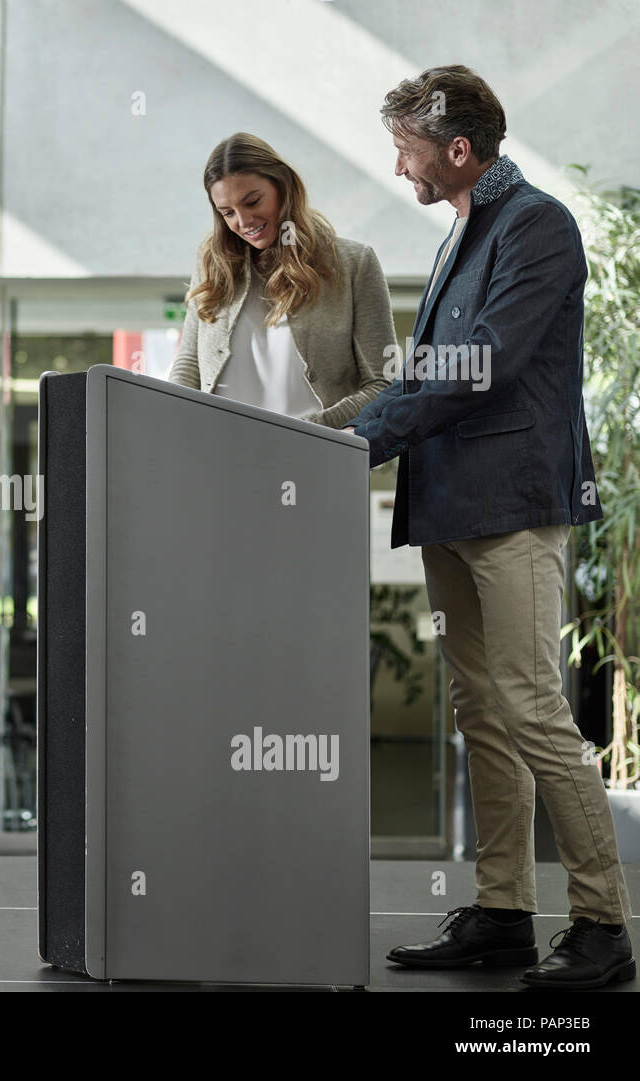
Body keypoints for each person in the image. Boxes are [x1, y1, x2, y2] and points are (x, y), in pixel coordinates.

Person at [344, 65, 631, 990]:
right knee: (483, 713)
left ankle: (602, 923)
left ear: (457, 150)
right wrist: (337, 432)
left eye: (408, 149)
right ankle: (503, 910)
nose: (400, 167)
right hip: (452, 505)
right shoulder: (466, 230)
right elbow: (427, 369)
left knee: (532, 705)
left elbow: (482, 368)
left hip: (511, 506)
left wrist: (367, 436)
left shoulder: (536, 224)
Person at [167, 132, 395, 426]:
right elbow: (188, 367)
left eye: (253, 201)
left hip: (316, 458)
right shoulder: (212, 262)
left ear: (283, 186)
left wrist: (309, 432)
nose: (243, 221)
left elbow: (382, 384)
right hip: (218, 456)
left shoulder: (354, 263)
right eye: (228, 213)